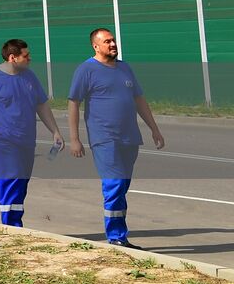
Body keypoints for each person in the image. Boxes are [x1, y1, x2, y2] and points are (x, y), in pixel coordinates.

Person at [68, 28, 166, 248]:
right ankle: (116, 236)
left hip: (129, 137)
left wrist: (154, 129)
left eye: (113, 41)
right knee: (114, 184)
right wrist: (75, 138)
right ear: (96, 46)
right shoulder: (86, 70)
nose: (112, 44)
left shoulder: (124, 68)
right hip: (104, 137)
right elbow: (73, 103)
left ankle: (119, 234)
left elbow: (139, 99)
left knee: (122, 186)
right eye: (107, 41)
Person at [0, 38, 64, 227]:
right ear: (13, 57)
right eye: (26, 55)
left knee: (21, 182)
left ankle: (14, 223)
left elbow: (42, 105)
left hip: (26, 139)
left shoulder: (29, 77)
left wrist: (55, 131)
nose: (30, 58)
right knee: (11, 179)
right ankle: (11, 227)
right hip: (2, 139)